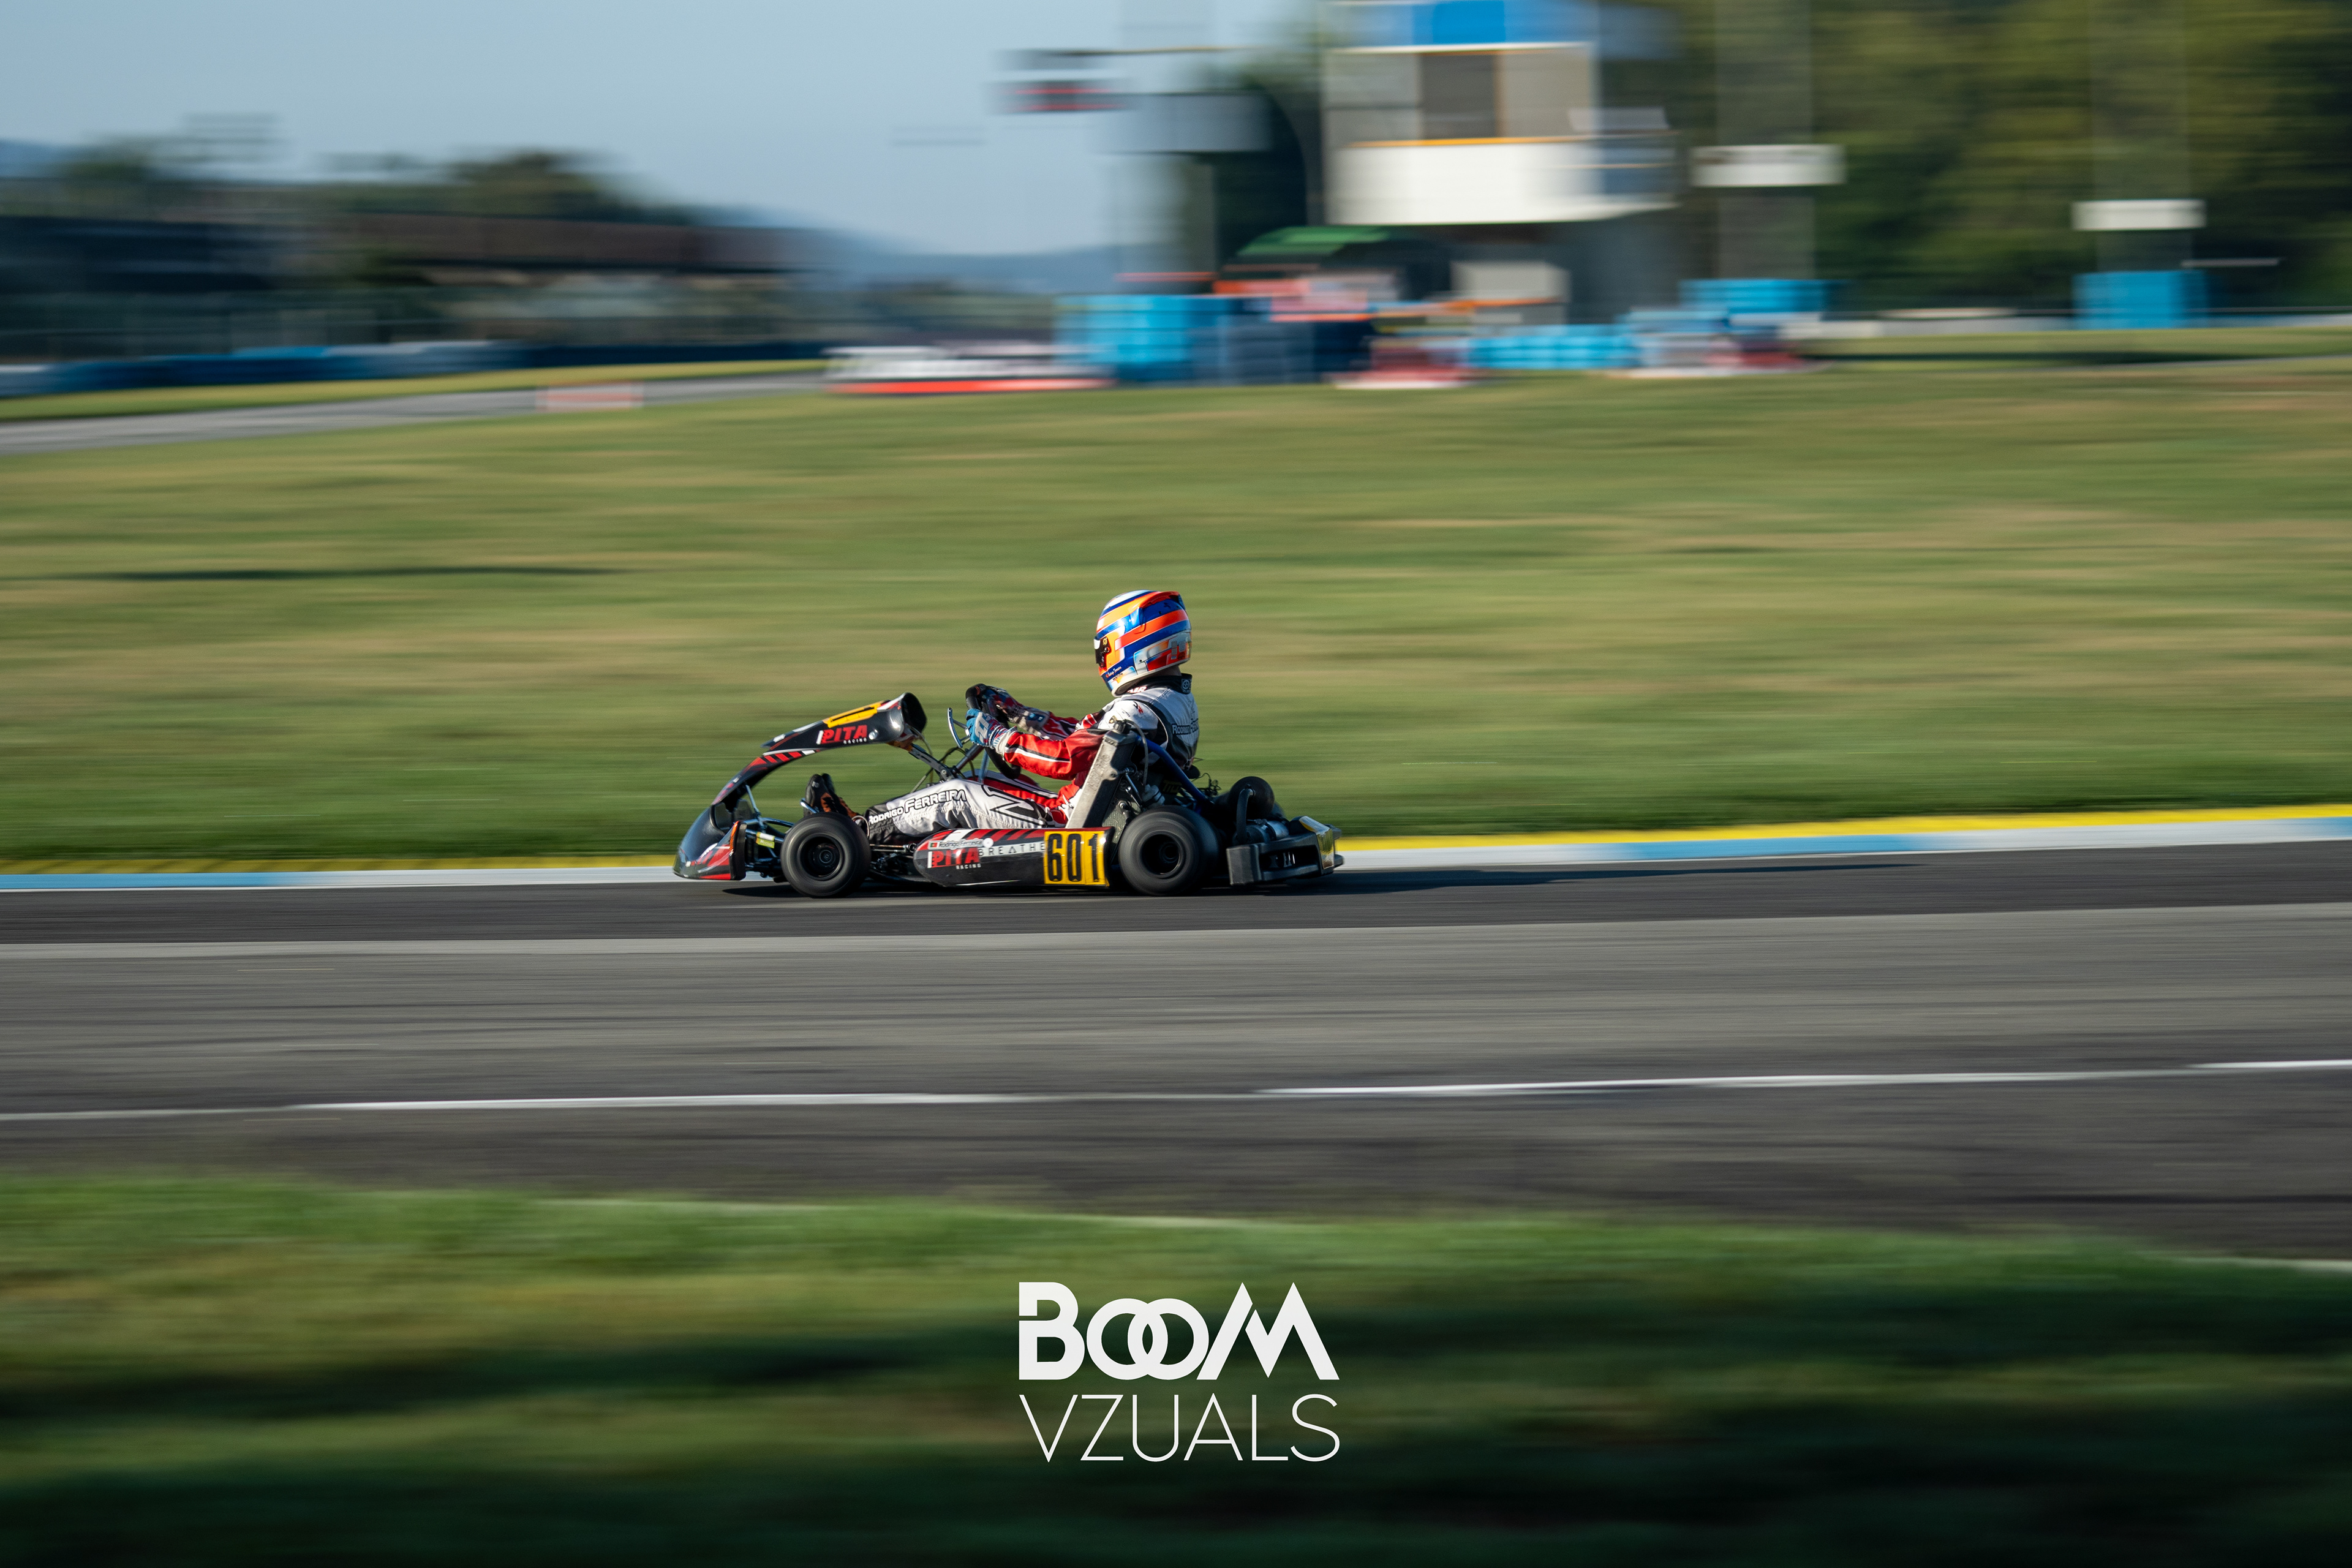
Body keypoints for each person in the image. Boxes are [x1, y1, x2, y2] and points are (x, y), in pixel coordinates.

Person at [810, 589, 1197, 844]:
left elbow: (1065, 759)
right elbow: (1085, 739)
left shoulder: (1135, 709)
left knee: (956, 793)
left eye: (1106, 648)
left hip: (1066, 822)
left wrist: (998, 737)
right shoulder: (1168, 701)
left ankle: (851, 835)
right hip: (1093, 807)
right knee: (980, 781)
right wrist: (1021, 715)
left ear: (1135, 645)